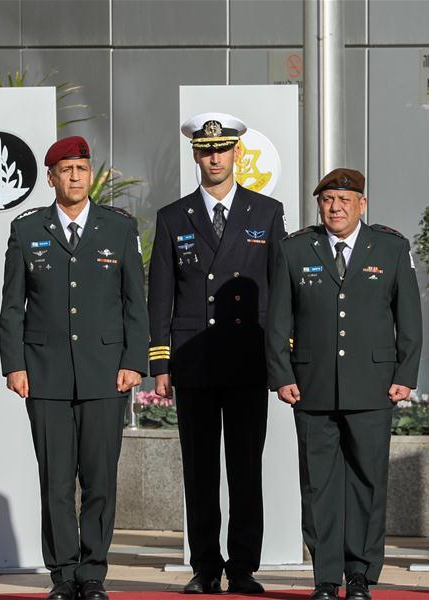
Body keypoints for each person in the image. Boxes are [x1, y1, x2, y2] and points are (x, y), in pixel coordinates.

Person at [0, 136, 148, 600]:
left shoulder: (118, 228)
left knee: (100, 477)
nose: (76, 176)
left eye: (82, 168)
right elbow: (12, 307)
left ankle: (93, 573)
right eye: (66, 170)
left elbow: (133, 303)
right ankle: (63, 574)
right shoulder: (27, 230)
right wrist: (14, 365)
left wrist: (134, 362)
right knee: (56, 478)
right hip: (45, 374)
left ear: (91, 175)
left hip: (106, 371)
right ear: (51, 178)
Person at [265, 168, 423, 600]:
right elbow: (278, 319)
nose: (335, 208)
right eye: (328, 200)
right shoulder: (295, 249)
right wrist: (281, 374)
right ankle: (326, 576)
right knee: (318, 485)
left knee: (367, 482)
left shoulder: (390, 248)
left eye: (344, 200)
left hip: (373, 386)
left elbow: (409, 319)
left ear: (362, 205)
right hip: (311, 387)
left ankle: (359, 575)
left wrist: (405, 376)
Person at [148, 112, 286, 595]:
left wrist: (280, 358)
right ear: (195, 156)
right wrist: (160, 363)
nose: (215, 157)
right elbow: (160, 294)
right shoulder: (172, 217)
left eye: (222, 149)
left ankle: (244, 565)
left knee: (246, 468)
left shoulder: (267, 213)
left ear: (237, 154)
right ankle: (206, 565)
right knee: (200, 469)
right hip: (194, 361)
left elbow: (280, 291)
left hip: (248, 359)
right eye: (206, 150)